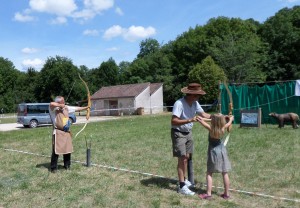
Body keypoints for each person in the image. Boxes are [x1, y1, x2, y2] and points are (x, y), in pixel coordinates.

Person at [171, 83, 211, 195]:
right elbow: (174, 121)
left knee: (187, 157)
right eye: (197, 95)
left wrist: (217, 117)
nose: (198, 97)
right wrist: (190, 120)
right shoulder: (179, 104)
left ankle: (183, 179)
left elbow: (203, 114)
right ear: (190, 94)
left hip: (188, 132)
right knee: (182, 158)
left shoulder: (195, 103)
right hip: (178, 133)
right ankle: (182, 186)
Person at [197, 113, 234, 200]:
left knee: (209, 172)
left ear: (213, 121)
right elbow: (228, 123)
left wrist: (198, 118)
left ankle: (208, 194)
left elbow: (201, 121)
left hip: (213, 152)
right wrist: (231, 118)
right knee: (224, 172)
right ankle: (226, 194)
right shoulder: (223, 128)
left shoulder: (210, 128)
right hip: (222, 151)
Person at [49, 96, 89, 173]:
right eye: (62, 102)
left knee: (67, 150)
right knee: (56, 151)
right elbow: (51, 104)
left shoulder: (66, 108)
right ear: (58, 103)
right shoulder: (53, 109)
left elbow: (76, 108)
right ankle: (53, 168)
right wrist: (60, 105)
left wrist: (86, 107)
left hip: (66, 132)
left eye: (64, 102)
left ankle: (67, 165)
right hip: (58, 132)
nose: (64, 103)